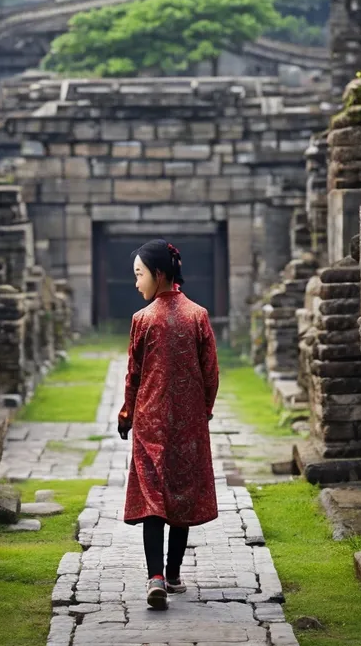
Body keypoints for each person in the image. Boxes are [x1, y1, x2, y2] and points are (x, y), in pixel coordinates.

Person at [118, 238, 219, 610]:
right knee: (180, 495)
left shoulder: (142, 320)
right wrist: (202, 413)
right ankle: (173, 574)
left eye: (139, 275)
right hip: (188, 425)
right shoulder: (198, 316)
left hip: (150, 423)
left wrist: (127, 414)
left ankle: (155, 577)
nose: (136, 283)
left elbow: (134, 374)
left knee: (152, 500)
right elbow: (211, 374)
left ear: (159, 274)